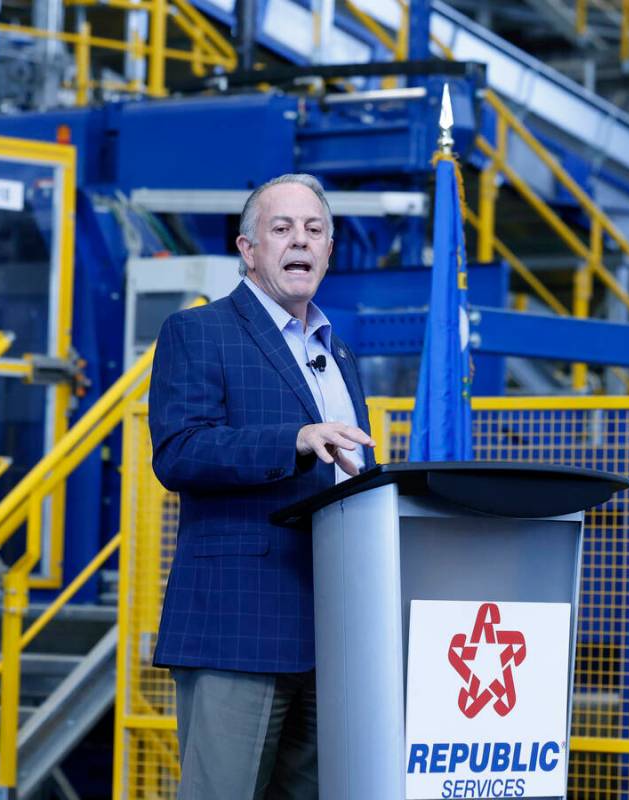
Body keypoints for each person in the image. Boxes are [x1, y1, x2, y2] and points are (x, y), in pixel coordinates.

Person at [148, 173, 375, 800]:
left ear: (330, 250)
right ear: (249, 250)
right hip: (237, 627)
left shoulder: (341, 354)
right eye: (281, 229)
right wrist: (293, 440)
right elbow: (179, 451)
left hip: (331, 628)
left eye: (314, 230)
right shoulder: (198, 332)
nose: (299, 240)